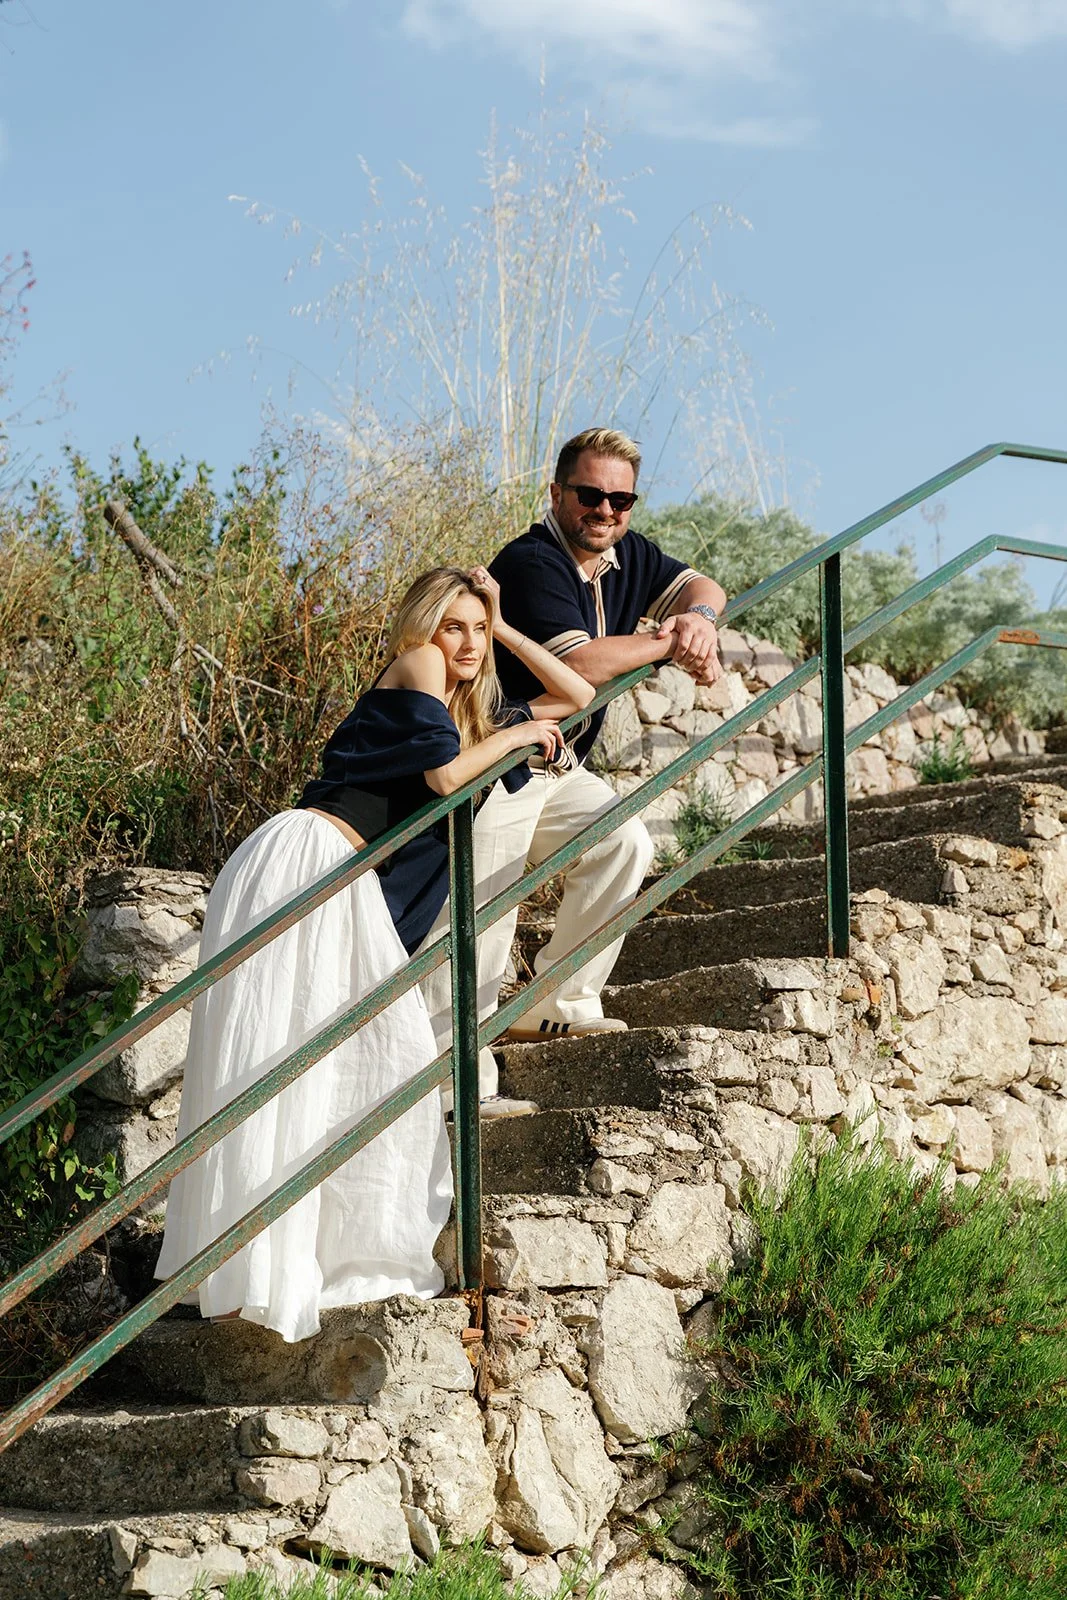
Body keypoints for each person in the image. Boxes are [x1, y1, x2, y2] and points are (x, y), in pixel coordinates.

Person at [154, 566, 594, 1344]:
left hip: (335, 878)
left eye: (474, 627)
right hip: (312, 862)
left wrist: (502, 624)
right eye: (449, 625)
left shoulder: (465, 702)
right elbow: (445, 775)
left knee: (335, 1066)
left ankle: (274, 1266)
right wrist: (521, 733)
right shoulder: (418, 663)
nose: (462, 642)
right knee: (328, 1061)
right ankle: (252, 1271)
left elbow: (579, 698)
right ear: (421, 628)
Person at [418, 428, 726, 1079]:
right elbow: (581, 663)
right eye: (590, 495)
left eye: (621, 500)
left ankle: (556, 999)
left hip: (557, 763)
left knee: (623, 844)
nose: (606, 511)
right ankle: (448, 1062)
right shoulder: (531, 563)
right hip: (493, 763)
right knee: (485, 908)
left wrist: (697, 618)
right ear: (556, 493)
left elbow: (704, 586)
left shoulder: (626, 554)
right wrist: (671, 642)